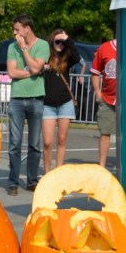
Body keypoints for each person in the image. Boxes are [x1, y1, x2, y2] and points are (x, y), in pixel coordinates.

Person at [5, 14, 49, 195]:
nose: (14, 32)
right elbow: (12, 73)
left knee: (34, 144)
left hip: (36, 98)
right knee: (14, 143)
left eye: (17, 29)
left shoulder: (43, 45)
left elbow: (37, 67)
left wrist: (24, 49)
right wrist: (32, 72)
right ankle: (13, 181)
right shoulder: (11, 47)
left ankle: (32, 180)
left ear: (27, 28)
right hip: (17, 99)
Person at [41, 29, 79, 173]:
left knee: (62, 139)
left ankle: (58, 171)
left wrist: (67, 38)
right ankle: (47, 171)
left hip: (65, 103)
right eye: (58, 41)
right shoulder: (45, 57)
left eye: (63, 42)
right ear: (52, 42)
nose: (61, 44)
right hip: (47, 104)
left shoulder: (68, 58)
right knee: (47, 142)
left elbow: (77, 55)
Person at [90, 38, 117, 168]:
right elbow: (95, 71)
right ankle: (102, 166)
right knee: (105, 133)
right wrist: (97, 92)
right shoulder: (105, 48)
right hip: (108, 98)